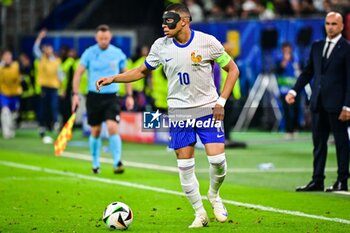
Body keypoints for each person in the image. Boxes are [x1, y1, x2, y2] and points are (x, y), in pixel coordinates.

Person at [96, 3, 239, 228]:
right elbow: (141, 71)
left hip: (207, 110)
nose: (164, 26)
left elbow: (233, 70)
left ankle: (214, 195)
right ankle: (200, 213)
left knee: (218, 161)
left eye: (169, 21)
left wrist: (221, 101)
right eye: (163, 21)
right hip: (179, 113)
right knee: (184, 166)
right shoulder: (160, 46)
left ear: (184, 21)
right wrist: (114, 78)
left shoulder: (207, 42)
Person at [285, 11, 350, 192]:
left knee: (341, 143)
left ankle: (342, 181)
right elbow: (308, 72)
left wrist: (347, 105)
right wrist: (294, 90)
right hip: (318, 103)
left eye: (334, 24)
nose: (330, 27)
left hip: (338, 106)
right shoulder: (317, 46)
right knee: (319, 144)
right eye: (328, 23)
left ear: (342, 26)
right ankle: (317, 180)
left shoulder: (347, 48)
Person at [72, 24, 134, 175]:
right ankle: (95, 163)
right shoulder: (89, 53)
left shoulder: (117, 53)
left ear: (110, 38)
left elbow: (126, 75)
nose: (104, 41)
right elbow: (78, 73)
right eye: (101, 38)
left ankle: (117, 162)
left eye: (106, 38)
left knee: (113, 127)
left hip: (112, 96)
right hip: (94, 96)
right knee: (96, 131)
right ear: (96, 38)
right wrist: (75, 94)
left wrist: (129, 95)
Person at [33, 29, 63, 144]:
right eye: (47, 49)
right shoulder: (42, 59)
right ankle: (42, 125)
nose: (48, 51)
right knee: (43, 108)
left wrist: (62, 88)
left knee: (54, 106)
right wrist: (40, 38)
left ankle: (55, 124)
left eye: (50, 49)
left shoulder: (56, 61)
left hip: (54, 87)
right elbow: (35, 49)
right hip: (44, 87)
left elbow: (60, 76)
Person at [276, 42, 301, 140]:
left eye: (288, 49)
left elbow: (300, 71)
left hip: (295, 89)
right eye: (285, 49)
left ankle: (295, 129)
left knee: (296, 110)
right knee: (286, 111)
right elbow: (278, 70)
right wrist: (284, 62)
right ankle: (288, 130)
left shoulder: (296, 59)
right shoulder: (279, 59)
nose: (287, 51)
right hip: (284, 90)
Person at [0, 50, 22, 139]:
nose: (8, 58)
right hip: (4, 93)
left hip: (14, 93)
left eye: (9, 56)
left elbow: (17, 77)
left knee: (13, 115)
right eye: (6, 56)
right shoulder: (1, 67)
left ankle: (10, 128)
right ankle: (6, 131)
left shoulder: (16, 66)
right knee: (5, 112)